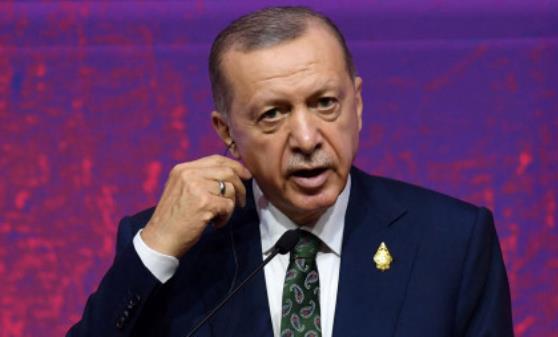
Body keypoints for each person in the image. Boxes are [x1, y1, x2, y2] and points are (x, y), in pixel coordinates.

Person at [67, 6, 514, 337]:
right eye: (273, 114)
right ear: (227, 132)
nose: (306, 138)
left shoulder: (451, 241)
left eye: (325, 104)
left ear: (356, 105)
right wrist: (156, 248)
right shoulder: (174, 248)